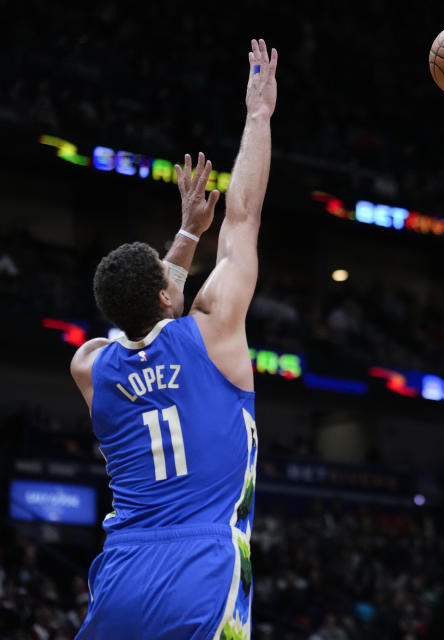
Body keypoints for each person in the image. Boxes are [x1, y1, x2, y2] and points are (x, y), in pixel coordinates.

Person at [70, 39, 278, 639]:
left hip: (123, 568)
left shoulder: (92, 366)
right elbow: (243, 218)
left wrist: (184, 237)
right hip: (201, 567)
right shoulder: (214, 330)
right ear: (168, 295)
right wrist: (257, 117)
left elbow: (147, 311)